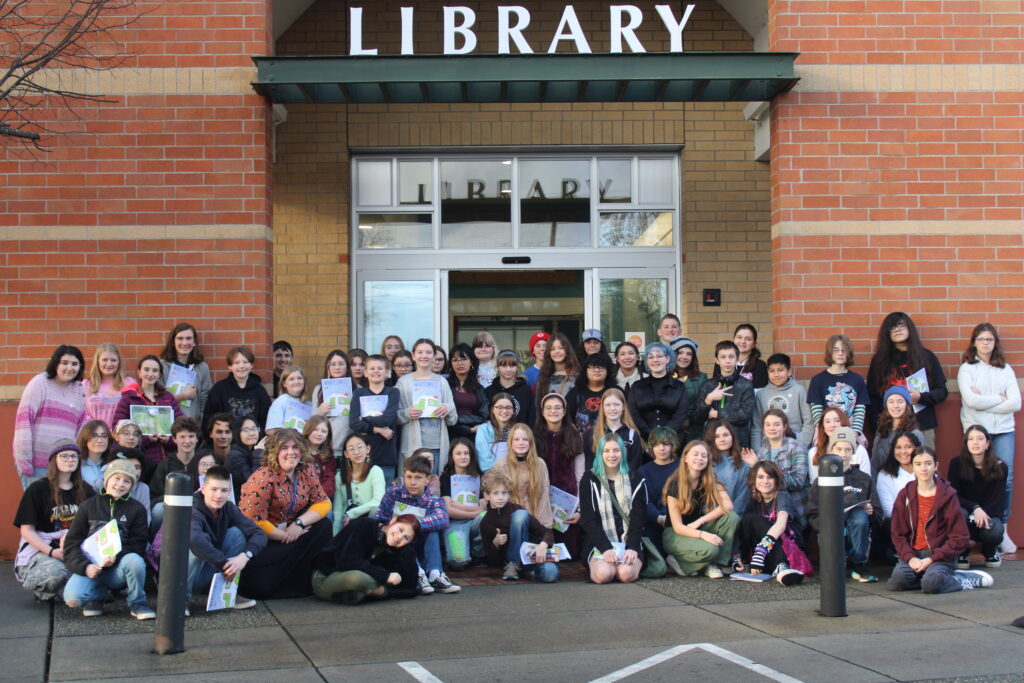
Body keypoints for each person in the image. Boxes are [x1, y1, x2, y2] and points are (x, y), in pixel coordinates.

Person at [238, 429, 333, 599]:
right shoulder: (262, 478)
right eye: (284, 448)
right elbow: (252, 520)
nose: (291, 453)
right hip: (265, 540)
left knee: (324, 525)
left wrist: (298, 524)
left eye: (295, 447)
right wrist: (283, 535)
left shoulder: (306, 471)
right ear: (274, 452)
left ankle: (308, 582)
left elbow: (324, 502)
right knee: (258, 587)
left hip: (292, 531)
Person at [889, 446, 994, 594]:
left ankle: (958, 579)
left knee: (931, 585)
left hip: (940, 555)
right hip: (915, 554)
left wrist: (932, 559)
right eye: (918, 464)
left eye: (928, 463)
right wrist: (910, 557)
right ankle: (933, 577)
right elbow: (897, 534)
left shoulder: (948, 495)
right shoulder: (904, 495)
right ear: (912, 467)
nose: (923, 468)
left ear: (936, 465)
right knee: (898, 581)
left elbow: (960, 537)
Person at [62, 459, 154, 619]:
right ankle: (97, 596)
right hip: (91, 567)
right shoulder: (87, 506)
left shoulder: (137, 509)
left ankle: (138, 602)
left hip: (117, 569)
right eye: (116, 478)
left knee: (135, 561)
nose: (120, 484)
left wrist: (115, 556)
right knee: (72, 598)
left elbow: (138, 544)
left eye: (127, 481)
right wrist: (85, 567)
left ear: (132, 485)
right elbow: (71, 545)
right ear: (106, 479)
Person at [957, 322, 1019, 553]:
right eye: (981, 339)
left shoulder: (1005, 369)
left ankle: (1001, 528)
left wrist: (986, 400)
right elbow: (971, 401)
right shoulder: (967, 369)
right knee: (974, 476)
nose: (986, 343)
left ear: (995, 343)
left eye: (990, 339)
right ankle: (975, 525)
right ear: (974, 342)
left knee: (1006, 477)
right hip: (976, 431)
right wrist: (1000, 399)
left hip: (1003, 431)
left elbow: (1016, 403)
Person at [13, 439, 93, 601]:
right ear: (53, 460)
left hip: (75, 547)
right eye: (64, 456)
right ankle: (44, 589)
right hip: (43, 550)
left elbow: (94, 525)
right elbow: (27, 530)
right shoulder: (38, 489)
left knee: (94, 572)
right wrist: (52, 552)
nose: (70, 459)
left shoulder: (85, 490)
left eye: (74, 456)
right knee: (55, 573)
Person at [373, 454, 460, 595]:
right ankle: (418, 575)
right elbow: (379, 517)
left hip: (422, 548)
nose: (412, 482)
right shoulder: (393, 493)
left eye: (418, 477)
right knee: (403, 534)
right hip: (396, 546)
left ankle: (435, 575)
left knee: (431, 530)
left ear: (427, 479)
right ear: (404, 477)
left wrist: (412, 525)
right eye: (409, 477)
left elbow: (443, 519)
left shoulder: (433, 500)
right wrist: (387, 527)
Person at [579, 433, 660, 583]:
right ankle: (602, 566)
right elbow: (588, 519)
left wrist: (632, 547)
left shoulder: (636, 478)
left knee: (625, 574)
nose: (612, 455)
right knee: (603, 574)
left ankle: (623, 565)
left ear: (622, 452)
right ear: (600, 453)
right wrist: (605, 548)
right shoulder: (589, 479)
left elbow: (638, 518)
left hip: (629, 542)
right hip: (599, 543)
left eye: (616, 450)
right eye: (607, 451)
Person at [187, 466, 265, 612]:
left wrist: (244, 557)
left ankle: (224, 593)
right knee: (195, 544)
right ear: (203, 489)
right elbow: (195, 539)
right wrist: (226, 565)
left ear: (229, 492)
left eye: (224, 490)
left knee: (236, 534)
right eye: (213, 489)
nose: (219, 495)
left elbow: (259, 533)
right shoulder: (192, 507)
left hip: (208, 567)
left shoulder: (228, 507)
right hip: (178, 575)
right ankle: (180, 600)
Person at [807, 428, 880, 582]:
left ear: (853, 452)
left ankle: (859, 564)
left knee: (859, 516)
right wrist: (826, 521)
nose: (843, 454)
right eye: (838, 449)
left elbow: (878, 514)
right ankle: (835, 563)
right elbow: (812, 515)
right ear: (831, 450)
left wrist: (871, 512)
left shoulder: (864, 479)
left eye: (848, 449)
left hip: (858, 531)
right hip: (832, 532)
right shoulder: (821, 480)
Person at [867, 312, 948, 447]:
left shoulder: (926, 356)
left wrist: (921, 397)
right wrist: (878, 429)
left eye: (901, 325)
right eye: (892, 327)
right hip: (889, 427)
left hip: (922, 424)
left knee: (923, 465)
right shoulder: (880, 361)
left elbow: (942, 391)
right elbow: (873, 397)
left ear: (910, 328)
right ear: (887, 333)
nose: (897, 329)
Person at [661, 440, 739, 578]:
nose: (699, 459)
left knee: (732, 517)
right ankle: (680, 562)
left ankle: (714, 564)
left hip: (696, 527)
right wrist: (704, 535)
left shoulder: (708, 478)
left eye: (703, 456)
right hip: (675, 534)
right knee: (712, 549)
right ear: (685, 458)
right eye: (695, 454)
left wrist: (700, 521)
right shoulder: (675, 484)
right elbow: (678, 527)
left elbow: (727, 506)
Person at [13, 345, 87, 489]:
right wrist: (24, 462)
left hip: (65, 466)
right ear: (55, 363)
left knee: (59, 511)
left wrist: (76, 461)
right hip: (37, 465)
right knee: (39, 509)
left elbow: (80, 428)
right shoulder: (39, 384)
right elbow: (24, 423)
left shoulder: (79, 390)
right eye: (64, 363)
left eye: (75, 364)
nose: (69, 368)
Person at [312, 514, 421, 605]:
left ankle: (361, 594)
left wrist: (408, 551)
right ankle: (370, 592)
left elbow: (411, 588)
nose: (399, 537)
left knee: (375, 580)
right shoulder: (364, 525)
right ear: (393, 522)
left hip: (359, 579)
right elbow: (347, 561)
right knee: (360, 578)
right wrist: (385, 576)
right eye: (400, 529)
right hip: (326, 577)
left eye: (406, 538)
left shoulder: (398, 548)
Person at [734, 461, 809, 585]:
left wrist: (761, 550)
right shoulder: (754, 501)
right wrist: (736, 556)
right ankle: (754, 563)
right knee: (747, 519)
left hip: (788, 552)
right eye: (760, 477)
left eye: (770, 477)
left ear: (777, 480)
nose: (765, 481)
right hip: (762, 559)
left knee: (755, 520)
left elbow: (781, 524)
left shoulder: (782, 496)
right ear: (754, 479)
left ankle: (782, 567)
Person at [479, 470, 559, 583]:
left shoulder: (517, 509)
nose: (500, 497)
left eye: (504, 493)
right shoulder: (486, 523)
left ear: (509, 495)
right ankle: (515, 564)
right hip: (508, 566)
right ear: (487, 495)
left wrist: (542, 546)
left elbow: (547, 532)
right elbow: (493, 563)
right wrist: (495, 544)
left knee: (550, 573)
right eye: (495, 493)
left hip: (530, 556)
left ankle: (524, 569)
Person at [947, 425, 1008, 569]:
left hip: (989, 512)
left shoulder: (1000, 467)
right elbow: (953, 495)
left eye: (980, 439)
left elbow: (995, 502)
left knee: (993, 531)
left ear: (987, 444)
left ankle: (990, 551)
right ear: (966, 444)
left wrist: (979, 518)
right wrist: (975, 509)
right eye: (971, 439)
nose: (975, 443)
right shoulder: (956, 463)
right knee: (960, 514)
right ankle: (962, 552)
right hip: (966, 510)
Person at [397, 339, 459, 472]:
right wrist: (407, 413)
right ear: (413, 356)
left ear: (434, 356)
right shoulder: (403, 382)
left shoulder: (442, 382)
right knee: (413, 485)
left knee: (435, 485)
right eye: (420, 352)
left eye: (428, 352)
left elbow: (453, 419)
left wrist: (447, 408)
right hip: (412, 446)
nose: (424, 356)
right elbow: (394, 416)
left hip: (437, 445)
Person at [533, 392, 584, 553]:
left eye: (557, 408)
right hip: (541, 497)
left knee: (568, 553)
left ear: (564, 411)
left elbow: (580, 474)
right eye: (548, 408)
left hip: (567, 501)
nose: (553, 411)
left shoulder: (574, 436)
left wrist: (579, 508)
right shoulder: (534, 437)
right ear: (542, 412)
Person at [112, 355, 183, 470]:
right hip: (142, 460)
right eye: (146, 369)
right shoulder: (129, 398)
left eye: (155, 371)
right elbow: (117, 429)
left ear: (160, 375)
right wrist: (145, 440)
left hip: (169, 458)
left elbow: (181, 427)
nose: (150, 374)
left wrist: (169, 440)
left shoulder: (168, 397)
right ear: (139, 373)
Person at [349, 354, 401, 483]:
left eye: (380, 368)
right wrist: (379, 430)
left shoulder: (393, 392)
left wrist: (364, 419)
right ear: (365, 373)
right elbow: (354, 423)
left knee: (385, 497)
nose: (376, 371)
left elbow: (387, 420)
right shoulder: (359, 393)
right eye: (372, 368)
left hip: (386, 454)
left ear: (387, 373)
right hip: (364, 455)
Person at [694, 340, 755, 448]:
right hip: (712, 443)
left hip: (737, 443)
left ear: (737, 359)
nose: (727, 361)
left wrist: (717, 414)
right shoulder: (708, 385)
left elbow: (745, 415)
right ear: (717, 360)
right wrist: (709, 399)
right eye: (723, 357)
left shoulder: (746, 385)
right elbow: (698, 419)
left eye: (731, 357)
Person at [491, 424, 554, 529]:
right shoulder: (501, 466)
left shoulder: (540, 464)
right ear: (510, 443)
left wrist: (539, 525)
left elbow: (544, 495)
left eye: (525, 439)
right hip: (511, 523)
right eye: (516, 439)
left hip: (538, 519)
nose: (521, 443)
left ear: (530, 443)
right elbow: (498, 498)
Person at [754, 409, 810, 525]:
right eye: (768, 425)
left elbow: (797, 482)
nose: (772, 428)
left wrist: (771, 470)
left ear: (784, 427)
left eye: (776, 424)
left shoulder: (797, 448)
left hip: (794, 510)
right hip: (769, 512)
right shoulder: (761, 452)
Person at [150, 416, 203, 533]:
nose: (187, 441)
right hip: (171, 508)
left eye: (191, 436)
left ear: (197, 439)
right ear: (174, 439)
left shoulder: (204, 462)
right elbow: (154, 497)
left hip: (199, 508)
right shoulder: (165, 465)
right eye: (182, 437)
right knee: (158, 510)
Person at [807, 334, 870, 432]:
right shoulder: (818, 380)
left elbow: (860, 410)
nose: (840, 353)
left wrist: (855, 433)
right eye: (836, 350)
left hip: (851, 431)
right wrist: (823, 431)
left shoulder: (857, 380)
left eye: (844, 350)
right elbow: (817, 412)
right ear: (829, 352)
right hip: (827, 431)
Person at [626, 342, 688, 441]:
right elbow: (633, 414)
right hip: (644, 440)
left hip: (673, 441)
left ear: (667, 359)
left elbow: (680, 415)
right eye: (650, 357)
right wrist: (651, 436)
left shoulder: (679, 387)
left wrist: (664, 436)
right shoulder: (637, 386)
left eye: (659, 356)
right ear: (647, 361)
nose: (655, 360)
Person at [751, 353, 814, 450]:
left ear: (789, 371)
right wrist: (757, 451)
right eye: (772, 371)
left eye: (780, 370)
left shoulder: (798, 390)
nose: (776, 375)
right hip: (768, 448)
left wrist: (800, 445)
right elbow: (756, 426)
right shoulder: (761, 394)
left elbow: (808, 422)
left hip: (794, 445)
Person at [440, 438, 486, 570]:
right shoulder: (445, 477)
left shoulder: (479, 476)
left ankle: (478, 554)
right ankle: (464, 550)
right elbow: (448, 510)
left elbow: (484, 507)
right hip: (455, 523)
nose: (463, 457)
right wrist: (474, 511)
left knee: (485, 517)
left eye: (466, 453)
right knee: (457, 562)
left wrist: (460, 507)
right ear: (452, 456)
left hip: (475, 521)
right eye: (458, 453)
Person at [875, 432, 921, 563]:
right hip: (899, 524)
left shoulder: (925, 469)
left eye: (908, 446)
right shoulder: (885, 474)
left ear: (916, 448)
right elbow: (888, 510)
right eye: (898, 447)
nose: (903, 451)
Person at [203, 346, 272, 432]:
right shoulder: (219, 389)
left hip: (253, 440)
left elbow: (266, 420)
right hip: (226, 441)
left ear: (251, 365)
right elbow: (209, 418)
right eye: (237, 362)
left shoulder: (260, 391)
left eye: (245, 362)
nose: (241, 366)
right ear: (229, 366)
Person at [638, 427, 680, 554]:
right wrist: (659, 517)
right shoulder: (643, 471)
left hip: (680, 520)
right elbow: (644, 501)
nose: (661, 449)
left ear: (673, 445)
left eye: (666, 444)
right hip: (654, 522)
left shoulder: (683, 467)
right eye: (656, 445)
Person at [159, 323, 213, 423]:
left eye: (189, 338)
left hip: (193, 426)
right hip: (167, 425)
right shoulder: (161, 367)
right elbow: (157, 399)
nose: (185, 343)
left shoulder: (202, 368)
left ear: (194, 342)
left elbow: (205, 398)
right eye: (180, 338)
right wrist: (183, 396)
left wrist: (201, 423)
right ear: (173, 342)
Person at [583, 388, 644, 473]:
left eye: (616, 404)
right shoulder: (592, 434)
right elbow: (589, 466)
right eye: (608, 405)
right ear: (602, 408)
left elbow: (635, 467)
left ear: (623, 407)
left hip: (626, 483)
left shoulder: (632, 435)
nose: (612, 408)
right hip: (600, 483)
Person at [335, 433, 386, 533]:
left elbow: (378, 501)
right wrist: (335, 535)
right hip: (346, 523)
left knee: (375, 510)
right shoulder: (340, 476)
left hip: (368, 521)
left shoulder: (375, 471)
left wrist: (352, 513)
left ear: (368, 449)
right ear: (346, 454)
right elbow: (338, 509)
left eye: (360, 447)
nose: (356, 452)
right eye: (351, 449)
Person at [705, 420, 751, 527]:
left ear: (732, 437)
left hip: (733, 519)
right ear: (712, 440)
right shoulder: (706, 461)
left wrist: (732, 518)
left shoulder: (742, 464)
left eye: (725, 435)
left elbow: (742, 498)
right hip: (708, 518)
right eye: (717, 436)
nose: (722, 439)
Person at [808, 407, 871, 483]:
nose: (832, 425)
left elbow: (866, 483)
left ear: (844, 423)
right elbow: (815, 484)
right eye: (827, 421)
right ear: (823, 427)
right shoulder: (813, 452)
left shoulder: (859, 451)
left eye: (837, 421)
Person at [870, 385, 924, 473]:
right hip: (882, 483)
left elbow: (920, 464)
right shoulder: (881, 432)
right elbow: (874, 465)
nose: (895, 406)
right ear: (886, 406)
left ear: (907, 405)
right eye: (891, 402)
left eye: (900, 401)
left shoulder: (915, 434)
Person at [310, 350, 353, 457]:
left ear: (347, 367)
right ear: (327, 367)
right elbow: (312, 420)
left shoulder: (357, 389)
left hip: (349, 446)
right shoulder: (319, 390)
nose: (337, 367)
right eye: (333, 364)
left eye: (341, 364)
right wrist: (320, 411)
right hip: (326, 447)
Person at [82, 343, 132, 430]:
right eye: (104, 360)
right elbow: (83, 414)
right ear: (97, 361)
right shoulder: (86, 384)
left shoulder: (129, 383)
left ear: (119, 362)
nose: (109, 364)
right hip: (95, 436)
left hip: (121, 438)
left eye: (113, 360)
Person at [446, 343, 488, 440]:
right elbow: (444, 415)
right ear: (451, 364)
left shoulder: (479, 388)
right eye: (455, 360)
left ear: (471, 361)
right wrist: (463, 427)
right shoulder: (445, 385)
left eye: (464, 359)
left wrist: (460, 422)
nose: (459, 363)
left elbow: (483, 416)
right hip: (449, 434)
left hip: (474, 434)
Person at [485, 349, 535, 427]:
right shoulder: (488, 392)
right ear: (497, 367)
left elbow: (532, 418)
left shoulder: (526, 391)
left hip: (520, 437)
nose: (508, 369)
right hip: (495, 437)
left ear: (517, 366)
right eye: (504, 365)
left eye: (512, 365)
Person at [571, 353, 617, 435]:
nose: (597, 370)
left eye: (601, 367)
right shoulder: (576, 392)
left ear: (607, 371)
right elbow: (568, 419)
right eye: (592, 367)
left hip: (610, 443)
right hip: (581, 443)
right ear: (586, 370)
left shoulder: (616, 391)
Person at [670, 337, 707, 442]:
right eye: (680, 352)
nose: (684, 357)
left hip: (693, 430)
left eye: (689, 354)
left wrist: (688, 419)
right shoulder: (665, 376)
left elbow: (701, 404)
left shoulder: (701, 378)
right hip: (670, 430)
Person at [716, 324, 768, 389]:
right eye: (739, 337)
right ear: (734, 339)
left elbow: (759, 392)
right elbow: (715, 386)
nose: (743, 341)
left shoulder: (760, 365)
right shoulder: (722, 362)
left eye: (748, 339)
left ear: (754, 343)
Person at [475, 393, 516, 472]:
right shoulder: (484, 430)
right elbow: (485, 464)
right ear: (493, 409)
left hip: (515, 477)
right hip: (492, 479)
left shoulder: (517, 430)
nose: (504, 411)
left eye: (508, 407)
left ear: (513, 410)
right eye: (499, 407)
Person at [226, 415, 263, 501]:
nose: (252, 433)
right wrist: (258, 454)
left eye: (254, 429)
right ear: (237, 432)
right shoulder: (235, 456)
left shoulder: (250, 451)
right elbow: (252, 482)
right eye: (246, 430)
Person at [266, 365, 309, 434]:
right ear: (284, 384)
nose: (296, 382)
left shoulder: (310, 405)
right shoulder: (281, 401)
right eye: (291, 379)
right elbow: (271, 430)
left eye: (299, 378)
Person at [303, 415, 337, 503]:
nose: (319, 434)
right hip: (298, 499)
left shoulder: (329, 457)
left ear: (327, 435)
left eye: (324, 431)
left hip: (319, 499)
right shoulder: (297, 452)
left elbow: (329, 482)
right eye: (315, 429)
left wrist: (317, 497)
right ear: (308, 430)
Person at [535, 333, 580, 398]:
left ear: (567, 350)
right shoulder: (543, 377)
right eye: (552, 349)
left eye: (561, 348)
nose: (557, 351)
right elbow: (538, 404)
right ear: (548, 352)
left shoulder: (578, 377)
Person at [77, 420, 112, 491]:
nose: (100, 440)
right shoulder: (76, 465)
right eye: (94, 436)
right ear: (85, 439)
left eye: (104, 436)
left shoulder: (113, 464)